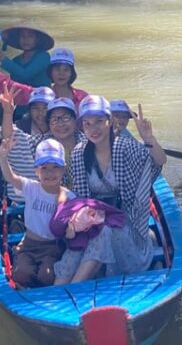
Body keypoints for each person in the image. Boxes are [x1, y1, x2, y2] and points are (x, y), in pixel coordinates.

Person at [69, 95, 167, 276]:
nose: (93, 129)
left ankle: (77, 285)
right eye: (87, 124)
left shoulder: (125, 147)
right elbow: (82, 198)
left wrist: (149, 139)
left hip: (126, 217)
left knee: (106, 231)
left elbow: (158, 162)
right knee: (94, 234)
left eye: (99, 122)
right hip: (93, 217)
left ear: (110, 121)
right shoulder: (79, 153)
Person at [0, 136, 74, 288]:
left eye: (55, 167)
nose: (50, 173)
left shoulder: (68, 196)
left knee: (47, 276)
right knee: (21, 274)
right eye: (44, 168)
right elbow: (10, 177)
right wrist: (2, 157)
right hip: (29, 244)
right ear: (36, 171)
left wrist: (71, 228)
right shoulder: (31, 187)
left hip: (53, 247)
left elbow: (72, 221)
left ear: (63, 169)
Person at [0, 47, 89, 108]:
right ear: (50, 72)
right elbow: (15, 87)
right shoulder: (42, 94)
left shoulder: (82, 97)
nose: (61, 73)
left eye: (66, 70)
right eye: (57, 69)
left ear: (71, 73)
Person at [0, 85, 55, 204]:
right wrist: (8, 113)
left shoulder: (58, 133)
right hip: (20, 200)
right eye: (35, 108)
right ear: (29, 110)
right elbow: (7, 137)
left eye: (45, 108)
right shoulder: (21, 131)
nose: (40, 112)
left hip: (47, 200)